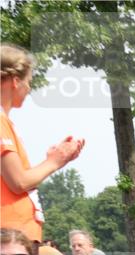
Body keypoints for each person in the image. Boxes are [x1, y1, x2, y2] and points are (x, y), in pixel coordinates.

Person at [1, 44, 84, 243]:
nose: (29, 89)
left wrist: (49, 161)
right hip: (10, 241)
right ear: (15, 81)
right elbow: (19, 182)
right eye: (28, 82)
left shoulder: (6, 123)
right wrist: (56, 161)